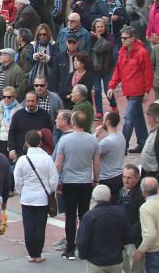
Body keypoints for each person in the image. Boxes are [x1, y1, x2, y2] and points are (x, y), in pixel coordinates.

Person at [54, 110, 100, 261]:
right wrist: (96, 179)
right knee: (84, 215)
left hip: (69, 182)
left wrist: (56, 180)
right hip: (85, 181)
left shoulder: (65, 141)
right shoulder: (92, 140)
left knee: (70, 216)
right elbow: (97, 163)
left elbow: (59, 163)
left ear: (73, 123)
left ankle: (69, 248)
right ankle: (84, 247)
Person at [13, 130, 58, 263]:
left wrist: (22, 191)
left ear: (26, 142)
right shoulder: (47, 159)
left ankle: (31, 253)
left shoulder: (22, 160)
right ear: (39, 142)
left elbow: (18, 180)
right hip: (42, 197)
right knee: (40, 226)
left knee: (28, 225)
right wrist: (49, 190)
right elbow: (54, 179)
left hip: (27, 196)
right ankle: (38, 252)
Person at [108, 27, 154, 153]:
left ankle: (123, 146)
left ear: (132, 38)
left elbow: (148, 72)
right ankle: (142, 142)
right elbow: (118, 70)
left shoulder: (142, 52)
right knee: (138, 118)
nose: (122, 40)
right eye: (121, 38)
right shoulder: (122, 52)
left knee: (128, 118)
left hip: (137, 91)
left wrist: (146, 91)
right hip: (129, 90)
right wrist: (112, 85)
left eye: (125, 38)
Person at [75, 184, 130, 272]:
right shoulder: (120, 213)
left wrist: (83, 255)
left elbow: (82, 240)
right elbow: (127, 237)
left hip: (96, 261)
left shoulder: (89, 216)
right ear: (110, 197)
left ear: (93, 198)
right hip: (116, 260)